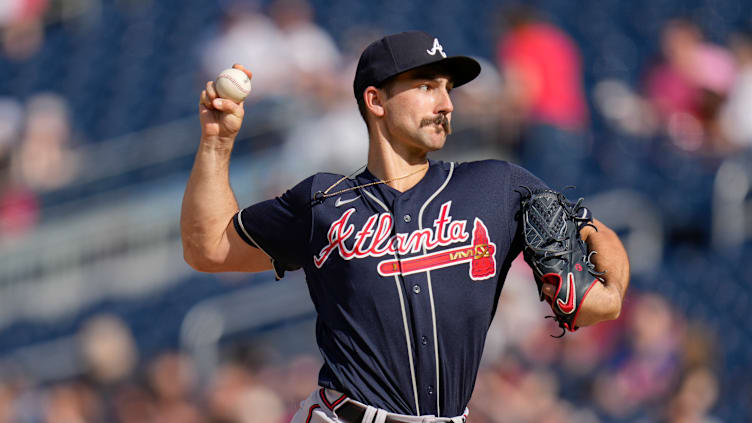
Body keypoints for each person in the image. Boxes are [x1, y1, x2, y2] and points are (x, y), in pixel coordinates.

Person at [181, 31, 630, 423]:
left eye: (448, 89)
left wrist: (589, 228)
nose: (446, 103)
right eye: (426, 86)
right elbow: (208, 248)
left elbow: (601, 304)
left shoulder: (497, 187)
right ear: (375, 100)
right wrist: (217, 143)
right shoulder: (322, 201)